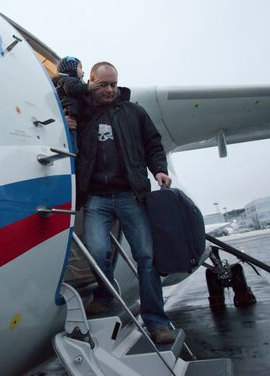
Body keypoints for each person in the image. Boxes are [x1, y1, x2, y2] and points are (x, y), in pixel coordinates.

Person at [74, 61, 176, 345]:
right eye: (103, 84)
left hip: (130, 195)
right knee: (96, 250)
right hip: (96, 197)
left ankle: (157, 320)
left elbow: (154, 144)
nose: (110, 90)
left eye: (114, 84)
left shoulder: (134, 113)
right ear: (91, 83)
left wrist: (159, 170)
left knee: (146, 257)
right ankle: (106, 294)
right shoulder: (80, 115)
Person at [52, 56, 99, 153]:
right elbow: (72, 88)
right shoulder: (69, 80)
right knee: (72, 142)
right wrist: (88, 87)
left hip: (72, 116)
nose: (83, 71)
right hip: (71, 115)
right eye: (80, 67)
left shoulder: (62, 81)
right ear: (71, 68)